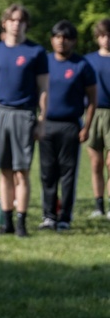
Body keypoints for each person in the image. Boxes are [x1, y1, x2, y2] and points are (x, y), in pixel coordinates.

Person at [0, 4, 48, 237]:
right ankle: (7, 221)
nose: (16, 24)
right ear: (4, 23)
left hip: (25, 114)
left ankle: (22, 222)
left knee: (22, 171)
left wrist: (41, 120)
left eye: (20, 20)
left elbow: (43, 88)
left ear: (25, 24)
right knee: (5, 171)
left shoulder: (36, 52)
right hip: (1, 112)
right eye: (12, 20)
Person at [38, 21, 96, 231]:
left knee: (68, 173)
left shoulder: (82, 65)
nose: (61, 41)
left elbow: (92, 100)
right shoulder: (44, 62)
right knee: (47, 172)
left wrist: (86, 127)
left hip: (70, 126)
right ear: (52, 39)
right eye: (57, 37)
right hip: (47, 125)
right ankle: (48, 216)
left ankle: (64, 217)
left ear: (73, 41)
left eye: (66, 38)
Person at [84, 18, 110, 220]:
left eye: (109, 35)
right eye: (102, 36)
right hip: (93, 112)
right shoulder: (88, 60)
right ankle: (98, 204)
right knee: (96, 163)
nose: (106, 39)